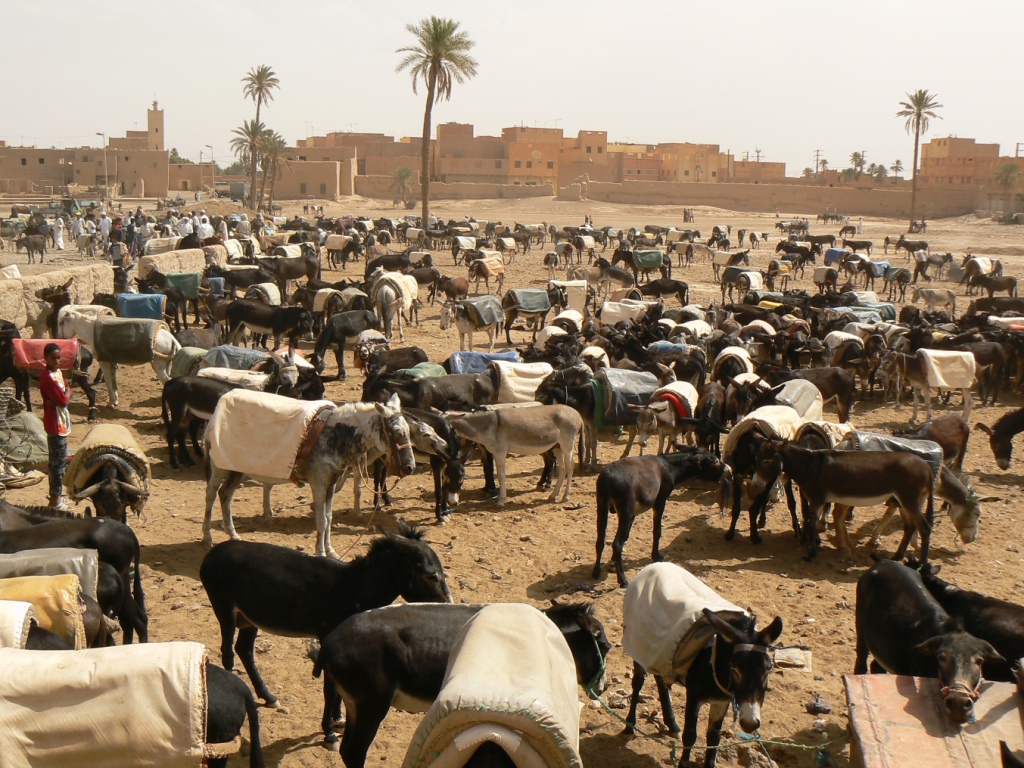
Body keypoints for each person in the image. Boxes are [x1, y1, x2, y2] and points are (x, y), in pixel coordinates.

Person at [40, 343, 72, 510]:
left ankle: (56, 497)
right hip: (56, 425)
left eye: (59, 358)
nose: (57, 361)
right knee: (57, 464)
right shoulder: (49, 377)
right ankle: (55, 501)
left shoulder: (57, 373)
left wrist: (66, 393)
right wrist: (66, 394)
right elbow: (64, 400)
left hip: (60, 422)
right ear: (46, 358)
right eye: (53, 358)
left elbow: (68, 389)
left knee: (58, 463)